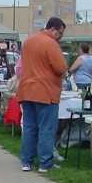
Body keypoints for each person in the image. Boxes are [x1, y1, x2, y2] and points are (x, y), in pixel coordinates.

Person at [17, 17, 68, 173]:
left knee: (29, 128)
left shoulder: (28, 41)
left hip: (26, 90)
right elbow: (60, 68)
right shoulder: (51, 43)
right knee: (46, 129)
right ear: (53, 29)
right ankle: (45, 163)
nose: (60, 37)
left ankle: (26, 162)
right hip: (46, 92)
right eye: (60, 33)